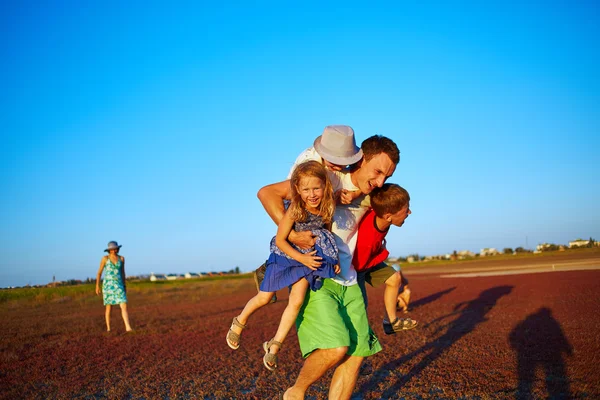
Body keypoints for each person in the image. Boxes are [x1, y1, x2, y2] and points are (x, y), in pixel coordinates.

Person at [257, 132, 400, 400]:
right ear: (361, 159)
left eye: (387, 177)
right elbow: (267, 194)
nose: (381, 181)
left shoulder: (371, 197)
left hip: (351, 280)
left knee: (356, 354)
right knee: (335, 348)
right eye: (378, 171)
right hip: (319, 278)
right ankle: (295, 393)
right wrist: (290, 234)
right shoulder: (324, 182)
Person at [226, 161, 340, 371]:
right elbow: (280, 240)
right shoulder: (296, 209)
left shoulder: (328, 206)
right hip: (286, 255)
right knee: (265, 297)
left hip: (308, 259)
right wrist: (302, 258)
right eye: (306, 189)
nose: (312, 194)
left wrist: (335, 259)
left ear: (325, 186)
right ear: (297, 189)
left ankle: (274, 345)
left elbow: (328, 233)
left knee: (296, 302)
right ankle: (239, 322)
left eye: (316, 188)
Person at [253, 125, 364, 301]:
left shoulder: (334, 169)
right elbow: (266, 193)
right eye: (334, 159)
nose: (338, 164)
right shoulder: (309, 165)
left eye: (343, 160)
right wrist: (292, 234)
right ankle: (270, 269)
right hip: (298, 215)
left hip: (315, 214)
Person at [353, 183, 417, 335]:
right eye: (405, 210)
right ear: (388, 216)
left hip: (368, 260)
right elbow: (359, 267)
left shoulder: (378, 213)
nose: (409, 212)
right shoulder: (368, 241)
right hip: (358, 266)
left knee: (394, 278)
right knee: (360, 308)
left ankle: (391, 322)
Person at [95, 241, 133, 332]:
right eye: (112, 249)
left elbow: (123, 273)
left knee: (123, 304)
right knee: (109, 307)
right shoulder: (105, 258)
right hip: (108, 286)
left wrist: (124, 285)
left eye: (115, 249)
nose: (114, 250)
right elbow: (99, 273)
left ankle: (128, 327)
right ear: (109, 250)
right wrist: (97, 286)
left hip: (119, 285)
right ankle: (108, 328)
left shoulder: (122, 259)